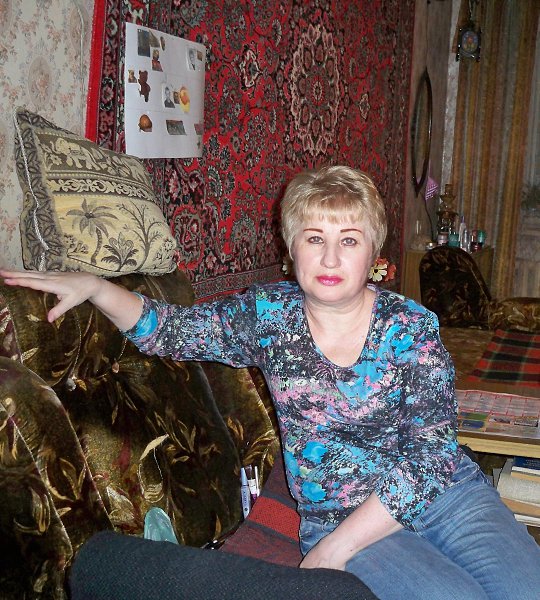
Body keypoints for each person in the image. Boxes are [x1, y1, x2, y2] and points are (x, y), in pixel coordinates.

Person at [2, 165, 540, 600]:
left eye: (349, 240)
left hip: (443, 492)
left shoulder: (410, 327)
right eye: (315, 238)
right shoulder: (268, 318)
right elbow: (168, 329)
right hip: (341, 509)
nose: (331, 258)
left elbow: (429, 458)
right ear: (291, 248)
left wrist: (332, 553)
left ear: (373, 254)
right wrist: (97, 286)